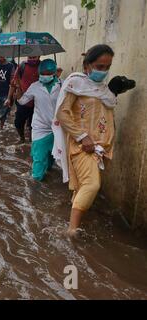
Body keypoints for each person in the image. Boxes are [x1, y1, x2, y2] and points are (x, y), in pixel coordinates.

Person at [52, 44, 117, 238]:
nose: (103, 71)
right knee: (92, 185)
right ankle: (71, 230)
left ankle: (73, 220)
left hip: (99, 147)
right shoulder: (75, 83)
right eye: (99, 66)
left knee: (82, 186)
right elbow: (62, 113)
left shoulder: (103, 89)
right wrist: (83, 137)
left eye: (107, 67)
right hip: (83, 145)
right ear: (87, 65)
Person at [17, 59, 61, 181]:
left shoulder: (62, 86)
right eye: (42, 73)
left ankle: (48, 171)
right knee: (38, 157)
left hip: (58, 127)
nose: (45, 76)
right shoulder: (35, 86)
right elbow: (22, 101)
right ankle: (35, 183)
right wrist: (17, 88)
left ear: (54, 72)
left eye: (48, 73)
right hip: (40, 127)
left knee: (53, 155)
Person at [6, 56, 41, 143]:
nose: (32, 59)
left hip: (38, 103)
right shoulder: (22, 66)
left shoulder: (43, 66)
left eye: (34, 57)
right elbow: (13, 84)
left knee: (34, 125)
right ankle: (22, 138)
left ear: (39, 56)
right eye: (30, 57)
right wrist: (8, 98)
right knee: (18, 122)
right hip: (23, 101)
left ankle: (32, 141)